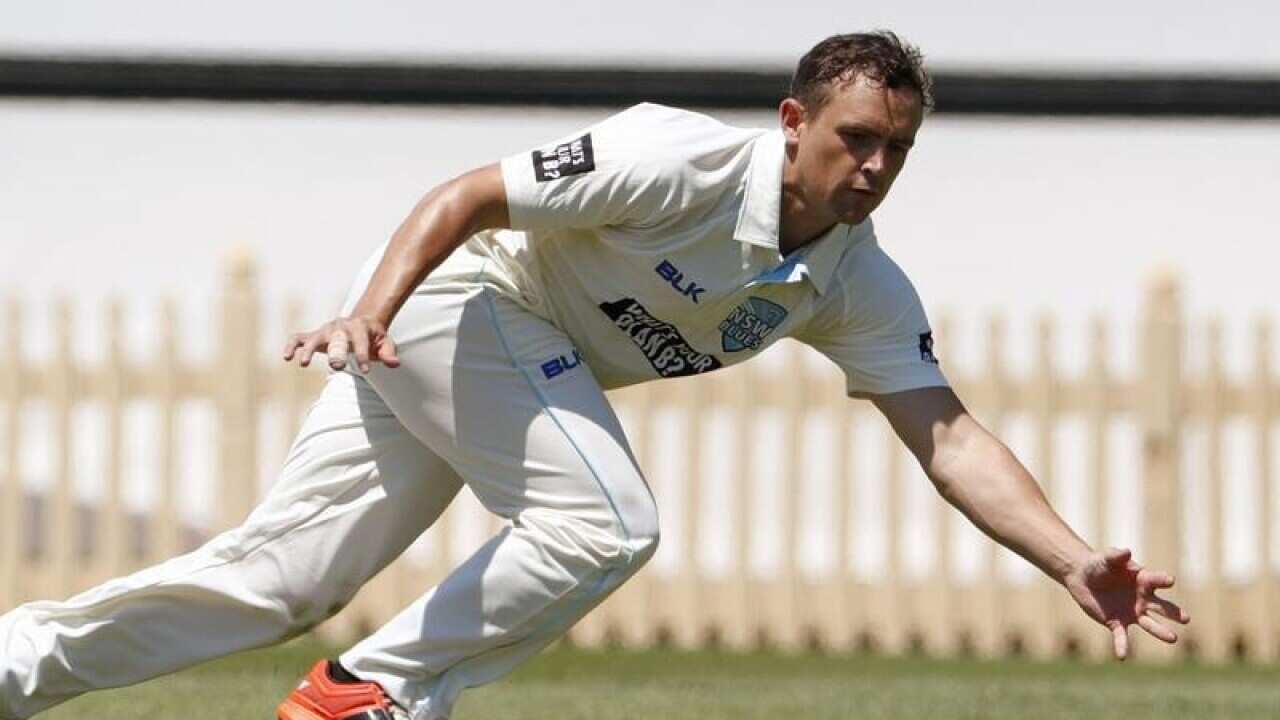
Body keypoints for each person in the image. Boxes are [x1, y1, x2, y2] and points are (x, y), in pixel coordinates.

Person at [0, 31, 1188, 720]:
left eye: (896, 150)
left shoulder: (852, 281)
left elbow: (948, 435)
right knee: (606, 521)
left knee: (275, 584)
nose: (873, 168)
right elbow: (464, 196)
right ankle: (369, 697)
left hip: (492, 359)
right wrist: (369, 314)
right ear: (792, 121)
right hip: (454, 302)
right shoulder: (671, 157)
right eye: (854, 140)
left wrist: (1069, 557)